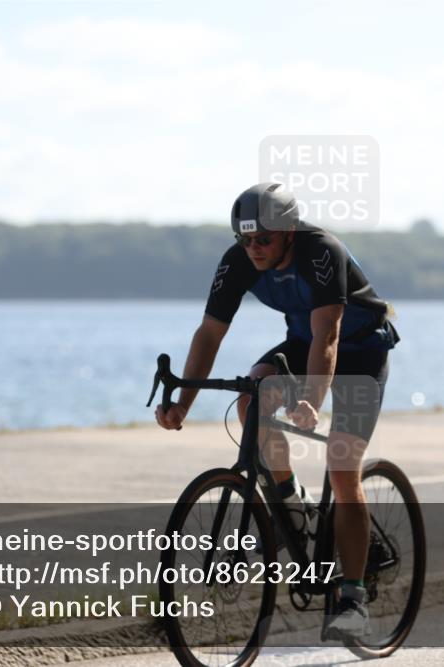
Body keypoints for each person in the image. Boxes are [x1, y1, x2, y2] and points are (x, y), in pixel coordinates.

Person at [154, 182, 399, 640]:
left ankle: (353, 596)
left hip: (360, 353)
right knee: (251, 399)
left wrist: (312, 401)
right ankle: (290, 501)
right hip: (304, 345)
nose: (253, 249)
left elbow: (328, 335)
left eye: (263, 239)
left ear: (288, 230)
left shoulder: (321, 251)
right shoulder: (239, 261)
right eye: (244, 240)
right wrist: (183, 403)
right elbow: (209, 333)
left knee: (343, 469)